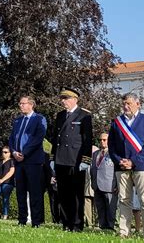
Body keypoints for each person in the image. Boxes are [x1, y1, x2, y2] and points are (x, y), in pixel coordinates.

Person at [50, 88, 93, 232]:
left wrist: (86, 160)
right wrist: (52, 157)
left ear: (75, 99)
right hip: (61, 158)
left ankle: (76, 224)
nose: (63, 101)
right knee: (63, 193)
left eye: (66, 98)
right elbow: (55, 138)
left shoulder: (84, 115)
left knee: (76, 194)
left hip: (76, 160)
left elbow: (87, 140)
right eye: (62, 98)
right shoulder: (60, 115)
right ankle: (66, 223)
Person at [108, 93, 144, 238]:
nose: (125, 106)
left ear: (138, 104)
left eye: (129, 103)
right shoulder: (117, 122)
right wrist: (119, 161)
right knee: (124, 200)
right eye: (124, 103)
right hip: (121, 167)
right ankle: (124, 232)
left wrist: (133, 161)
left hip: (142, 166)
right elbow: (111, 146)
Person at [8, 95, 47, 227]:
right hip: (19, 161)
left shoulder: (39, 119)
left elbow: (38, 138)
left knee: (34, 191)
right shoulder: (18, 120)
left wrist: (24, 153)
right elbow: (12, 138)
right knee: (20, 191)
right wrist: (13, 152)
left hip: (33, 160)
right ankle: (22, 219)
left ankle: (36, 221)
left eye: (23, 103)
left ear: (31, 104)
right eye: (20, 103)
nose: (21, 105)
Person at [91, 133, 117, 230]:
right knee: (100, 207)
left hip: (110, 185)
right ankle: (103, 226)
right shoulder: (95, 154)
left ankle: (111, 227)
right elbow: (93, 169)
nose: (102, 141)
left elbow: (116, 170)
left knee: (111, 208)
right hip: (97, 184)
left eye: (104, 140)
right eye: (101, 139)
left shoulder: (114, 153)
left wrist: (117, 184)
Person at [0, 146, 15, 220]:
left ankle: (5, 215)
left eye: (6, 152)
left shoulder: (12, 161)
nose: (3, 153)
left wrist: (2, 180)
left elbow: (11, 171)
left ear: (10, 153)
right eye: (2, 152)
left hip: (7, 183)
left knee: (5, 199)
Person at [84, 145, 99, 228]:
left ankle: (98, 223)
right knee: (87, 205)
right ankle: (89, 223)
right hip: (87, 187)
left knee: (97, 206)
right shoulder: (86, 162)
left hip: (97, 187)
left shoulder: (98, 162)